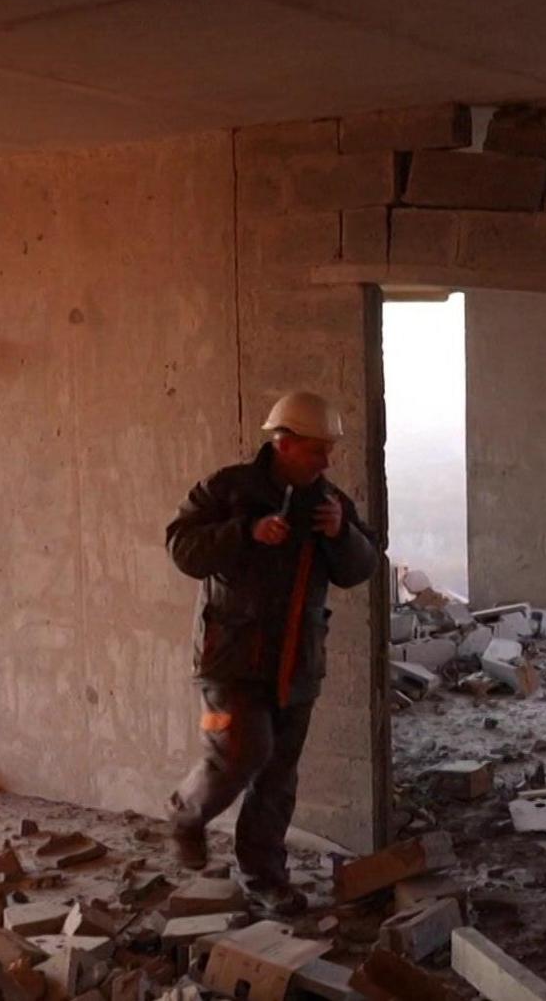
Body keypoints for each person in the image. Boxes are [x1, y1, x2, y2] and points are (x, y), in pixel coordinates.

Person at [165, 391, 379, 913]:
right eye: (316, 450)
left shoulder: (329, 504)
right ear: (284, 443)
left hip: (297, 663)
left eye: (329, 450)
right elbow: (182, 548)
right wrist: (245, 531)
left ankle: (264, 878)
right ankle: (186, 814)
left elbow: (361, 567)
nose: (326, 461)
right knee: (239, 754)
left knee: (278, 776)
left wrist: (341, 535)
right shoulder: (228, 489)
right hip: (230, 660)